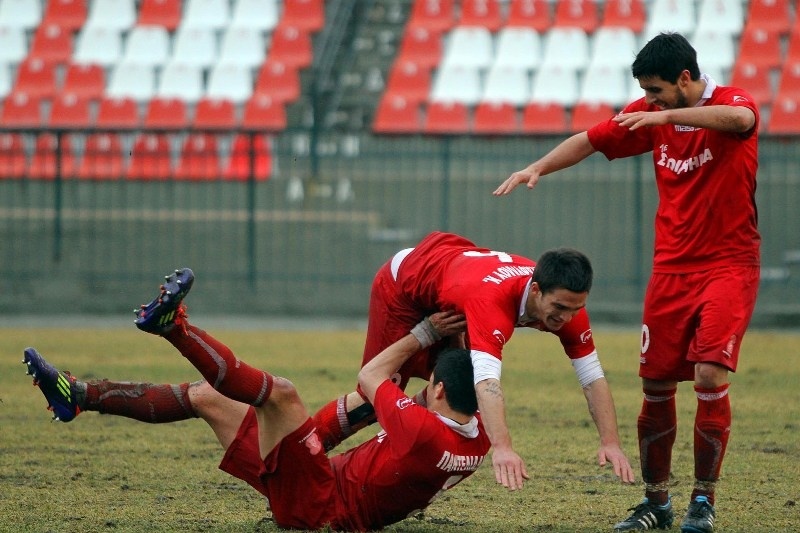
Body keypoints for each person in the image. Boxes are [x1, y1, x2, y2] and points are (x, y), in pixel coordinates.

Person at [494, 33, 760, 533]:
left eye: (657, 90)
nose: (650, 100)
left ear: (685, 79)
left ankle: (703, 501)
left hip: (728, 265)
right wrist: (537, 167)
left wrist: (664, 116)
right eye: (647, 93)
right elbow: (592, 140)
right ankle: (656, 503)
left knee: (707, 376)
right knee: (655, 385)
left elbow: (742, 122)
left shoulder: (730, 104)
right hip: (670, 270)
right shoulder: (652, 112)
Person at [24, 268, 490, 532]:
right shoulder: (478, 436)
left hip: (322, 506)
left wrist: (425, 331)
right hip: (319, 488)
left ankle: (172, 326)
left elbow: (372, 377)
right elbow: (353, 415)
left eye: (432, 384)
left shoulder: (422, 428)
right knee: (206, 397)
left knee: (282, 395)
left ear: (440, 392)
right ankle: (78, 396)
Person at [311, 230, 635, 491]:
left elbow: (592, 377)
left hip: (451, 286)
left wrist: (611, 442)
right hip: (405, 286)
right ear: (535, 290)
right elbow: (488, 382)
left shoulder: (567, 305)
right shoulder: (493, 303)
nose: (568, 318)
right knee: (374, 397)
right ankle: (302, 450)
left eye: (576, 309)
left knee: (453, 393)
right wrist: (504, 447)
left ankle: (400, 481)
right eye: (560, 308)